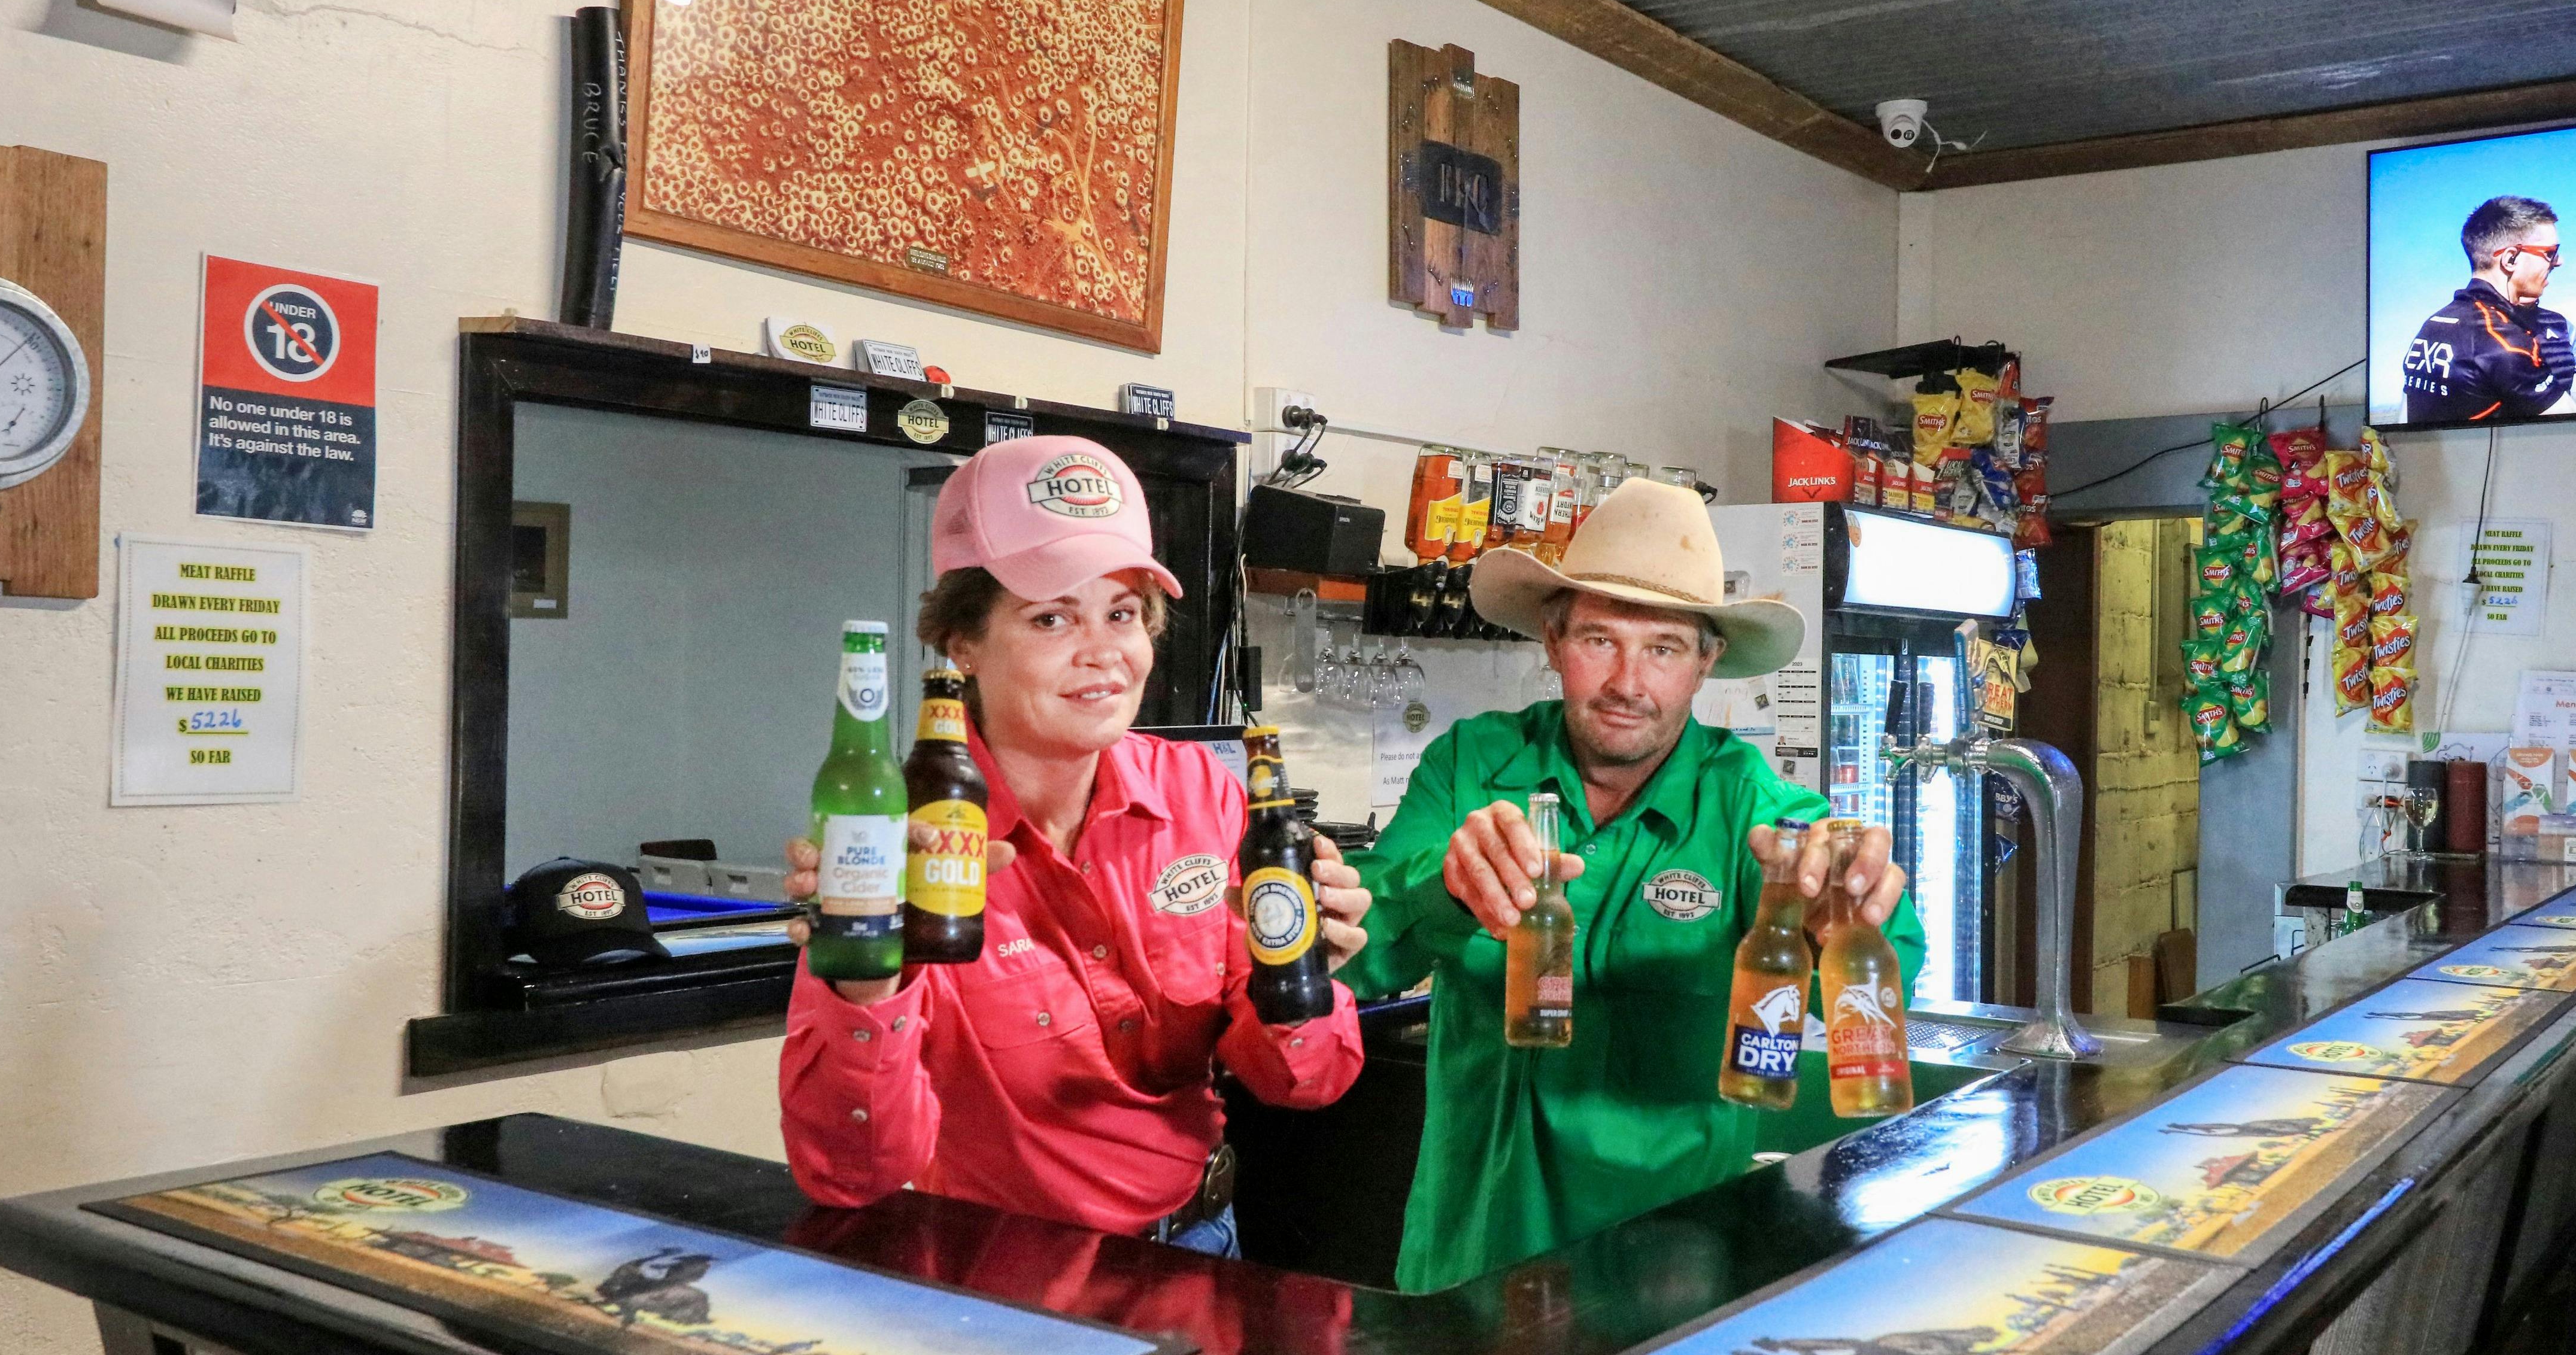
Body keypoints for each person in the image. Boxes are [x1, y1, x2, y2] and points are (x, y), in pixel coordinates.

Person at [775, 435, 1372, 1256]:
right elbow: (851, 1175)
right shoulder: (900, 839)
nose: (1102, 653)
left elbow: (1303, 1080)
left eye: (1121, 613)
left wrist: (1303, 974)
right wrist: (867, 977)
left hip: (1204, 1247)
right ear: (962, 643)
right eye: (1050, 616)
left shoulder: (1202, 793)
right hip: (1006, 1275)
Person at [1340, 477, 1926, 1292]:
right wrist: (1447, 883)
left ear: (1705, 663)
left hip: (1669, 1271)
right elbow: (1350, 955)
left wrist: (1843, 906)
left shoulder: (1753, 806)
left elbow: (1881, 968)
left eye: (1663, 648)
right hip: (1469, 1256)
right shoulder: (1469, 764)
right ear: (1553, 641)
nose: (1627, 681)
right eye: (1599, 639)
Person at [2401, 195, 2576, 423]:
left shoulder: (2432, 325)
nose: (2558, 261)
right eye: (2550, 253)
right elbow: (2575, 433)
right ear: (2511, 259)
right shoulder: (2505, 343)